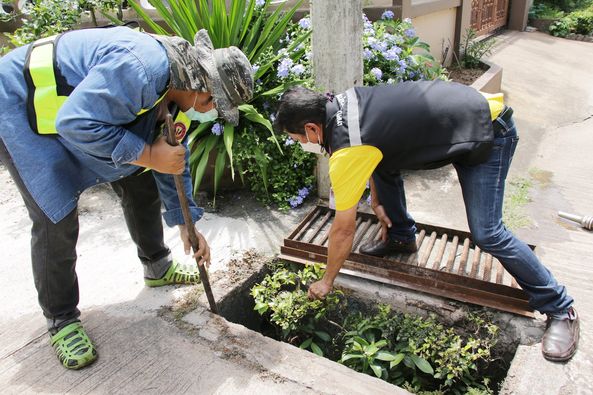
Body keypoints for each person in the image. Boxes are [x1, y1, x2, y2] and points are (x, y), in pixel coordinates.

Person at [0, 26, 253, 369]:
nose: (207, 111)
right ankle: (61, 320)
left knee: (139, 179)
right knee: (55, 214)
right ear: (199, 83)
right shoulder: (141, 69)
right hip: (19, 104)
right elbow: (75, 122)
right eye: (210, 102)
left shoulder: (175, 85)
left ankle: (157, 265)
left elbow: (173, 155)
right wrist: (148, 155)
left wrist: (185, 222)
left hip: (74, 113)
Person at [273, 81, 579, 363]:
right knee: (384, 166)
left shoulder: (348, 147)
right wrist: (377, 201)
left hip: (487, 128)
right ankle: (402, 237)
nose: (301, 143)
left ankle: (559, 307)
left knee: (488, 232)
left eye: (297, 138)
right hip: (457, 116)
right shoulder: (340, 104)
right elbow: (377, 149)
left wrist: (327, 281)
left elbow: (343, 229)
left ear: (312, 128)